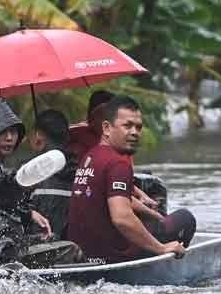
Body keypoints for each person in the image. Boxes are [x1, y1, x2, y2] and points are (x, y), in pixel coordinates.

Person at [0, 98, 81, 268]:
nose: (10, 138)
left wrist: (28, 213)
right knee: (70, 250)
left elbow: (2, 202)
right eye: (3, 132)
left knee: (52, 239)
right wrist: (19, 183)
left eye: (13, 132)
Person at [68, 96, 196, 264]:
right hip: (113, 256)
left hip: (84, 255)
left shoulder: (89, 156)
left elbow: (119, 200)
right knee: (184, 217)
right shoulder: (118, 163)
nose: (135, 132)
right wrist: (161, 248)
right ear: (106, 128)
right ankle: (171, 260)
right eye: (127, 126)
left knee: (153, 221)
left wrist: (155, 216)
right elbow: (121, 217)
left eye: (138, 127)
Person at [68, 89, 163, 224]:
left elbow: (117, 182)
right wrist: (155, 217)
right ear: (96, 118)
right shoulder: (86, 148)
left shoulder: (113, 147)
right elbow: (118, 206)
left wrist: (141, 195)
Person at [26, 108, 76, 240]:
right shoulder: (80, 172)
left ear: (39, 136)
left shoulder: (30, 176)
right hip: (74, 251)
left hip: (40, 251)